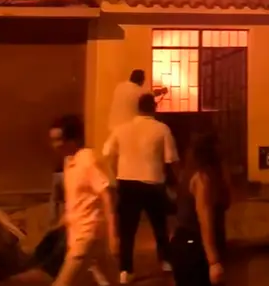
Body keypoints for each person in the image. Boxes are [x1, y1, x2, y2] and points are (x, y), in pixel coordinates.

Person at [103, 93, 179, 284]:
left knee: (127, 229)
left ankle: (125, 270)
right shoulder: (162, 129)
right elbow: (171, 159)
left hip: (127, 183)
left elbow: (106, 152)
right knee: (159, 226)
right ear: (154, 107)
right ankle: (166, 261)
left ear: (137, 108)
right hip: (153, 182)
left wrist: (115, 172)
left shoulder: (121, 129)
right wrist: (178, 183)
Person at [50, 115, 118, 286]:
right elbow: (79, 197)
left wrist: (113, 235)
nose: (56, 145)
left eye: (60, 140)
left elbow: (106, 195)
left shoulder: (88, 160)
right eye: (53, 140)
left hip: (88, 236)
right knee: (108, 281)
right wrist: (64, 220)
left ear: (74, 139)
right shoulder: (69, 161)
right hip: (79, 235)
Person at [169, 132, 229, 286]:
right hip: (194, 247)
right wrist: (213, 261)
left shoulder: (187, 174)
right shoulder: (202, 179)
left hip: (183, 242)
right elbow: (205, 220)